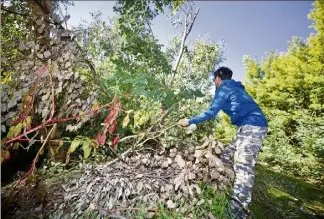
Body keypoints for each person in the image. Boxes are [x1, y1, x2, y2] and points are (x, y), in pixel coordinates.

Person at [178, 66, 268, 219]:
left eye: (214, 81)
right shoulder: (235, 88)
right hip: (247, 127)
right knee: (226, 155)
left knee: (243, 168)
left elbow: (211, 112)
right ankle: (223, 187)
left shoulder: (224, 88)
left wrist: (189, 121)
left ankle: (237, 212)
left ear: (217, 79)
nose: (215, 83)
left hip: (252, 126)